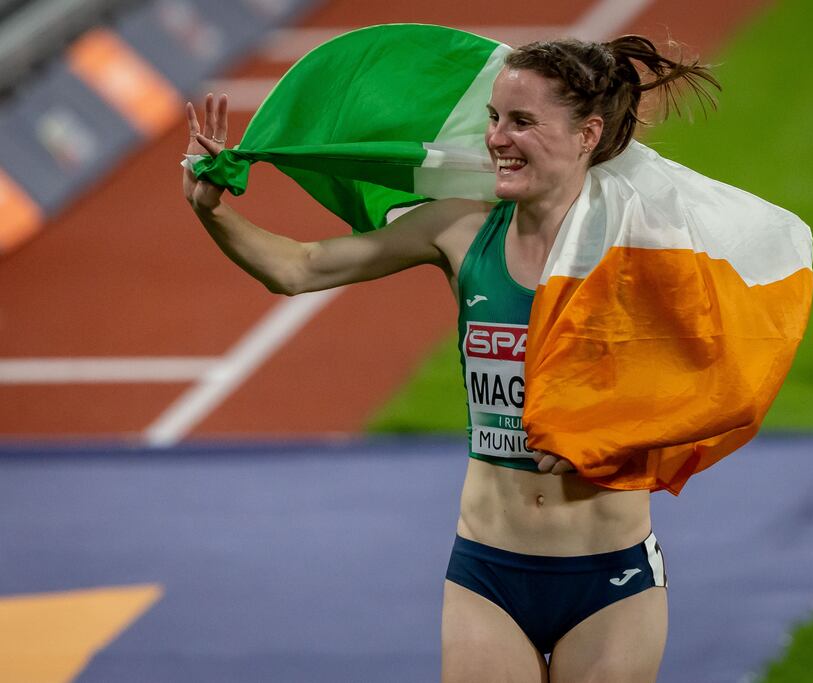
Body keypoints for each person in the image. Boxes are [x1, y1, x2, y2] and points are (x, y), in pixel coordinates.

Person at [183, 34, 719, 683]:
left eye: (521, 122)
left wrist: (612, 433)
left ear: (587, 133)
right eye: (494, 118)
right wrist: (210, 211)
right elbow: (299, 268)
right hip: (488, 573)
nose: (496, 138)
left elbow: (711, 389)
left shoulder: (643, 249)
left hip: (611, 576)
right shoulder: (461, 230)